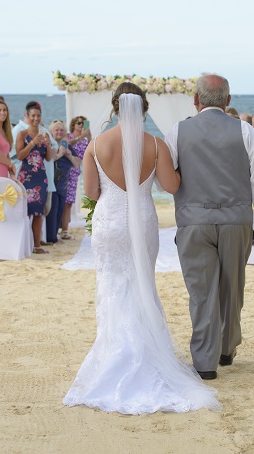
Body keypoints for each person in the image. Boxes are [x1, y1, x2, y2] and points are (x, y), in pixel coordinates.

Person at [64, 82, 219, 414]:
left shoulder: (95, 144)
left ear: (115, 108)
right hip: (143, 221)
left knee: (111, 286)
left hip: (109, 223)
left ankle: (113, 354)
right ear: (144, 109)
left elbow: (90, 192)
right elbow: (172, 185)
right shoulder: (155, 144)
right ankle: (144, 354)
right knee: (142, 285)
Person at [167, 74, 254, 380]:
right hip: (236, 221)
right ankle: (227, 348)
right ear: (228, 101)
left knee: (202, 292)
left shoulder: (178, 131)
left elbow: (167, 179)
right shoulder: (244, 130)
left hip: (193, 223)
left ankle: (205, 361)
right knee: (232, 286)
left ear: (195, 100)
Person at [16, 102, 53, 254]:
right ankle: (23, 244)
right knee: (24, 211)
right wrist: (32, 143)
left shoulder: (45, 134)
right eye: (33, 116)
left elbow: (49, 158)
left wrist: (49, 145)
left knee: (38, 213)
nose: (36, 118)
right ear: (27, 116)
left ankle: (37, 245)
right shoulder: (22, 134)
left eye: (38, 116)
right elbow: (19, 155)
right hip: (26, 176)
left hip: (40, 177)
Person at [46, 120, 80, 244]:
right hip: (53, 182)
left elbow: (77, 164)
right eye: (56, 130)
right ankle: (51, 238)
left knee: (60, 211)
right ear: (51, 132)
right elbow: (49, 159)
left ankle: (55, 236)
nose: (59, 132)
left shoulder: (66, 145)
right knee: (53, 210)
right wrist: (60, 155)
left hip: (63, 184)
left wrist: (69, 156)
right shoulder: (50, 144)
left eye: (61, 130)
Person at [63, 115, 91, 238]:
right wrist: (81, 137)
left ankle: (65, 230)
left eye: (83, 124)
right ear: (73, 124)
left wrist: (88, 136)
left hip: (74, 174)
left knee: (69, 202)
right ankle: (62, 228)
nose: (81, 125)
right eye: (79, 123)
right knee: (61, 202)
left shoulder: (85, 140)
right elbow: (65, 144)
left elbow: (91, 150)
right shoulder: (67, 136)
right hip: (64, 171)